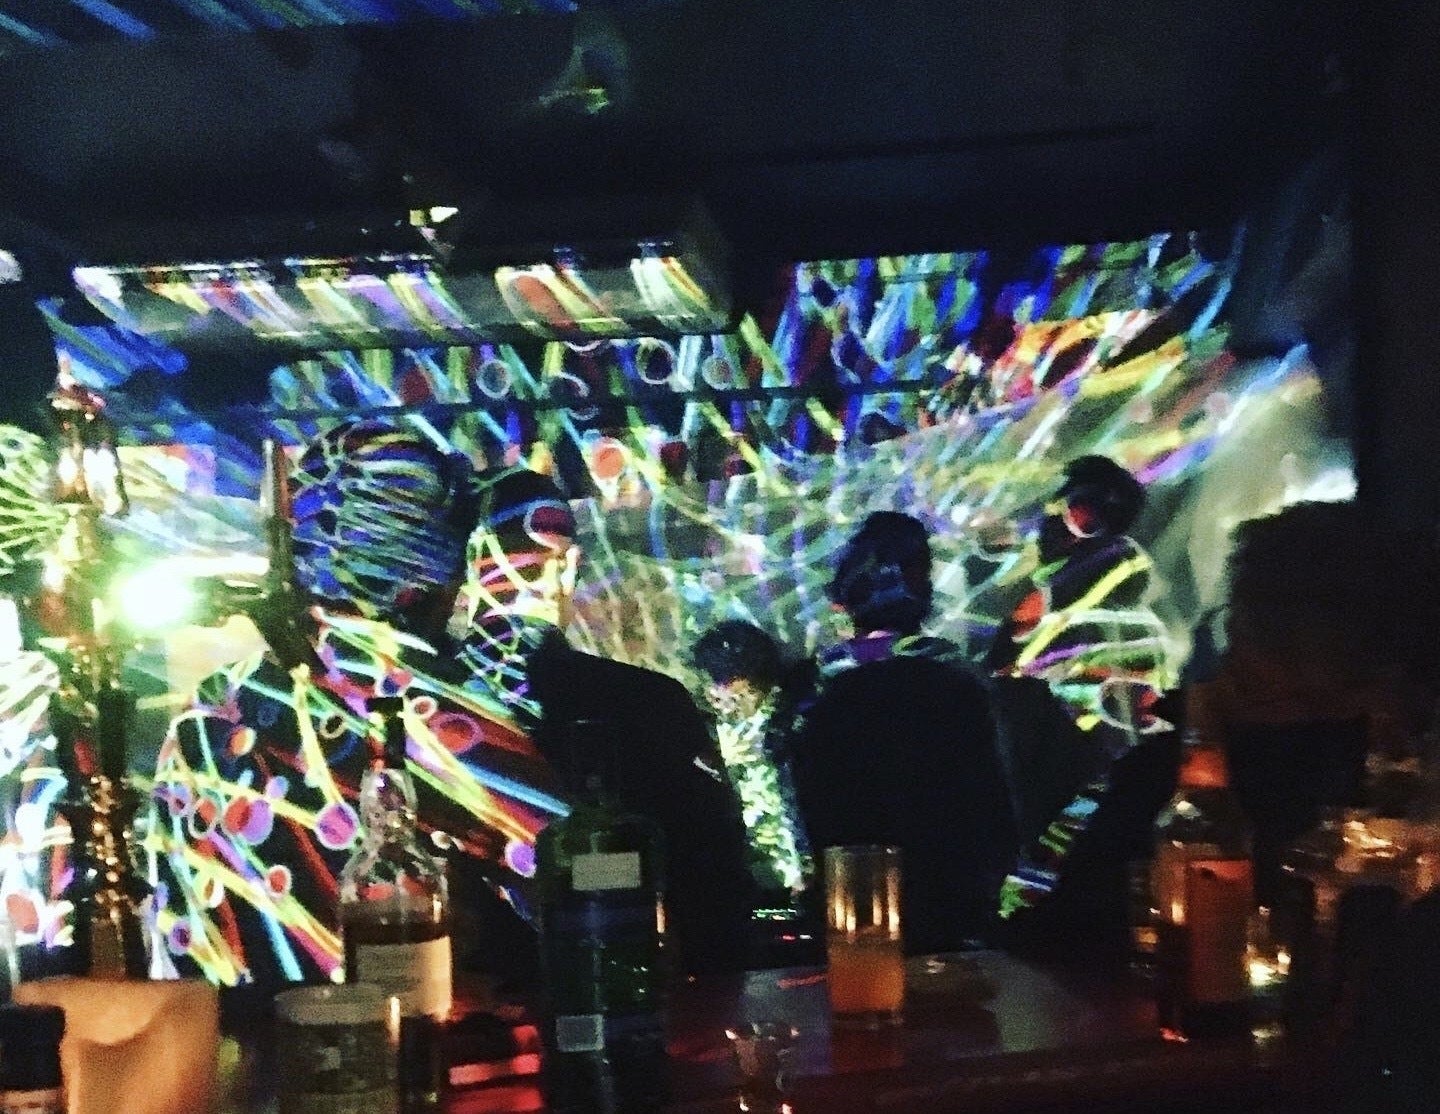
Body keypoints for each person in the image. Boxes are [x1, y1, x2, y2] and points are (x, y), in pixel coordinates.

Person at [145, 421, 565, 991]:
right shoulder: (430, 706)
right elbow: (577, 888)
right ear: (432, 574)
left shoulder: (208, 709)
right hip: (394, 1037)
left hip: (218, 1038)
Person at [456, 466, 758, 975]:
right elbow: (711, 880)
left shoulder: (397, 710)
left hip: (466, 996)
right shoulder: (646, 700)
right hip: (625, 986)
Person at [790, 511, 1016, 954]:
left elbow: (799, 805)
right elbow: (996, 805)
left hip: (849, 912)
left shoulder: (814, 686)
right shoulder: (956, 679)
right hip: (954, 914)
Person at [985, 455, 1171, 918]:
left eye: (1068, 511)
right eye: (1050, 510)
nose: (1046, 524)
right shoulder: (1069, 612)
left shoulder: (1092, 615)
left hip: (1075, 835)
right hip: (1083, 825)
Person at [690, 619, 818, 963]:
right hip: (746, 879)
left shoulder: (791, 724)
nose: (725, 701)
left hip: (795, 876)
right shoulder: (705, 730)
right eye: (717, 691)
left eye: (741, 694)